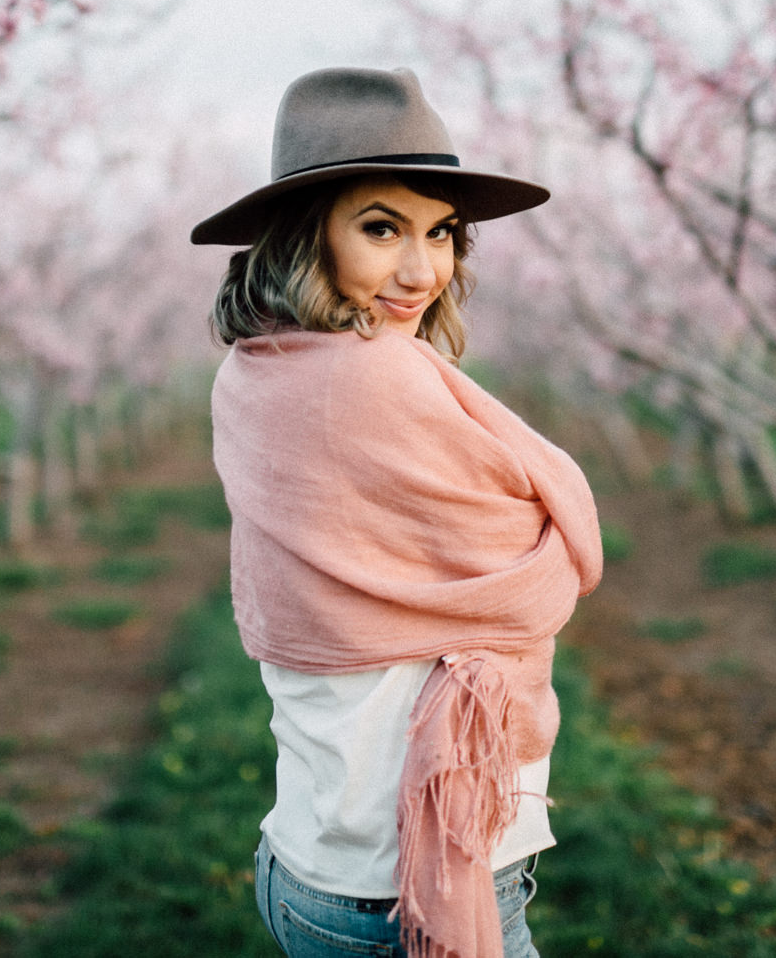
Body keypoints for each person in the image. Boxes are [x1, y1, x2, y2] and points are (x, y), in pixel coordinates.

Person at [192, 66, 604, 958]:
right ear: (311, 236)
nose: (422, 270)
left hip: (311, 855)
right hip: (412, 881)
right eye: (382, 228)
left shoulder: (258, 369)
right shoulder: (374, 375)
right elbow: (557, 534)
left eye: (442, 233)